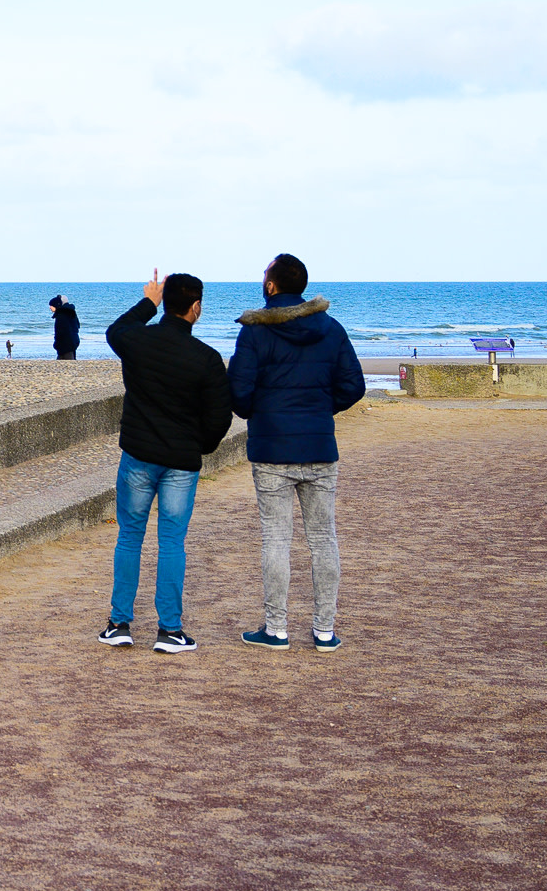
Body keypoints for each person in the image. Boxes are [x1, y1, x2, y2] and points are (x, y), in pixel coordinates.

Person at [228, 253, 364, 653]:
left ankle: (277, 629)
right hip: (319, 445)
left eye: (264, 275)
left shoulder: (254, 332)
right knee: (323, 538)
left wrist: (263, 412)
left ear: (272, 285)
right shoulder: (331, 328)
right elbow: (352, 385)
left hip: (272, 447)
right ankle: (324, 631)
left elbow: (238, 391)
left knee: (276, 538)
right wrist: (321, 409)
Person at [98, 270, 233, 655]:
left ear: (166, 303)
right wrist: (200, 446)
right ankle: (169, 630)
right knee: (172, 541)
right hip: (181, 462)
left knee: (130, 536)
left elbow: (116, 330)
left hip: (138, 455)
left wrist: (148, 301)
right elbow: (220, 416)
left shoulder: (138, 339)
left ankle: (119, 623)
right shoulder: (205, 358)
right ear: (196, 308)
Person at [50, 295, 81, 360]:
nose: (50, 307)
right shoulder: (70, 312)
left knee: (67, 362)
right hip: (72, 342)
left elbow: (60, 331)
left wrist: (57, 344)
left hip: (66, 344)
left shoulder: (62, 315)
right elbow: (77, 326)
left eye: (51, 305)